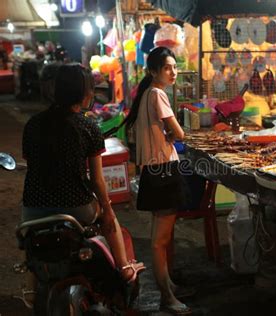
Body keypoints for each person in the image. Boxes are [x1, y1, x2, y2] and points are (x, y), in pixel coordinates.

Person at [21, 64, 144, 306]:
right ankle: (124, 269)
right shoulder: (87, 127)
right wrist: (107, 209)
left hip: (33, 208)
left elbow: (35, 164)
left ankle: (32, 292)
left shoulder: (33, 124)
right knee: (108, 217)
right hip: (76, 207)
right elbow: (98, 180)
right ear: (84, 93)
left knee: (31, 245)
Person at [126, 47, 189, 315]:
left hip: (153, 172)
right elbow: (180, 132)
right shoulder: (157, 94)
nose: (173, 72)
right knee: (159, 241)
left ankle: (168, 286)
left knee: (158, 237)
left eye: (175, 66)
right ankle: (166, 296)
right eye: (167, 68)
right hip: (163, 171)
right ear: (154, 71)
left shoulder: (146, 95)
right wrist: (173, 135)